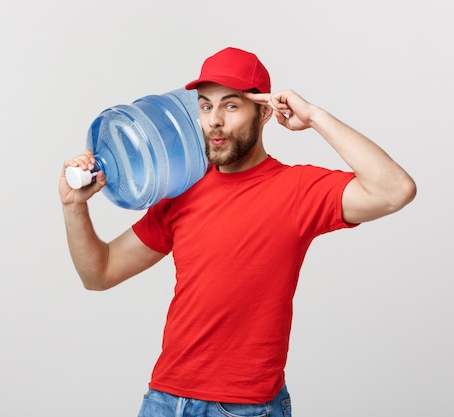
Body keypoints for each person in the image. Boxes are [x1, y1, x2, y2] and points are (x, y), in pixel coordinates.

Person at [59, 47, 416, 417]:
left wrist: (315, 117)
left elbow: (394, 191)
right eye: (205, 105)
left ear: (263, 112)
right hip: (165, 399)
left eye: (231, 106)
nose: (214, 121)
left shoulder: (296, 189)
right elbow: (98, 273)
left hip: (244, 408)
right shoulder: (183, 190)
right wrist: (74, 206)